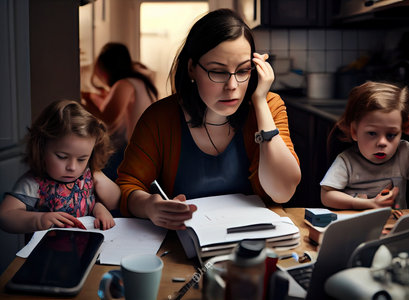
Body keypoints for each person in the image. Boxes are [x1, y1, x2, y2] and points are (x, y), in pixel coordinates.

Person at [116, 9, 301, 230]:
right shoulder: (159, 118)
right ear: (192, 68)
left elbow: (283, 191)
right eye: (218, 72)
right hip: (182, 245)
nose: (232, 86)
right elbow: (128, 186)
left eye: (243, 71)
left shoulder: (269, 106)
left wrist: (260, 102)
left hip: (254, 243)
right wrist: (149, 206)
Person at [320, 81, 409, 210]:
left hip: (394, 228)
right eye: (372, 133)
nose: (382, 142)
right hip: (357, 228)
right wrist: (367, 204)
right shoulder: (347, 161)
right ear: (354, 131)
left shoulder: (404, 154)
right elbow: (326, 195)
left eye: (391, 134)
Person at [0, 100, 121, 233]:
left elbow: (115, 201)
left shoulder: (87, 175)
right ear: (41, 148)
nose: (72, 167)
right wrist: (38, 220)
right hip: (48, 250)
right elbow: (5, 216)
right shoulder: (34, 183)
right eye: (62, 157)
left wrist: (99, 207)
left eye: (82, 159)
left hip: (86, 245)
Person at [81, 42, 159, 180]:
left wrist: (85, 100)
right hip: (146, 149)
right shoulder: (140, 82)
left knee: (94, 172)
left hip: (129, 152)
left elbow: (108, 118)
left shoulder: (124, 84)